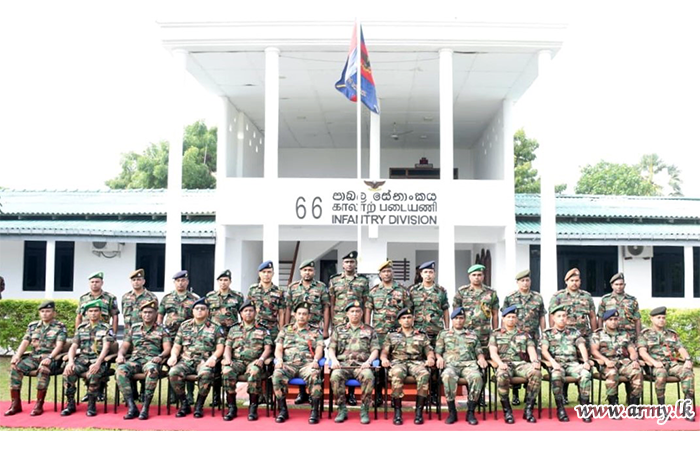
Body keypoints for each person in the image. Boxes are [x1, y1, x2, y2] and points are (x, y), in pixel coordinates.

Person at [5, 300, 67, 417]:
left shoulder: (60, 326)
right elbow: (25, 342)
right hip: (34, 357)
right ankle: (15, 404)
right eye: (42, 311)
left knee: (43, 369)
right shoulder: (33, 326)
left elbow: (59, 346)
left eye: (48, 311)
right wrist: (17, 356)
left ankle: (39, 404)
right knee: (16, 367)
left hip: (52, 359)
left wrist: (49, 357)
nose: (45, 314)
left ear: (54, 313)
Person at [167, 298, 225, 418]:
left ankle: (199, 405)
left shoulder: (215, 327)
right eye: (197, 309)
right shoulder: (184, 326)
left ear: (208, 311)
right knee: (173, 372)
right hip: (186, 360)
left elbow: (220, 347)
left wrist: (213, 358)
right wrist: (173, 356)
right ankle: (184, 404)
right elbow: (177, 346)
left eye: (203, 309)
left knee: (206, 374)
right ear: (192, 311)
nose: (199, 311)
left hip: (204, 361)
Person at [115, 299, 172, 420]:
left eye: (150, 312)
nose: (147, 315)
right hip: (135, 359)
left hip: (152, 360)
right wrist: (120, 355)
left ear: (156, 313)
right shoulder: (134, 328)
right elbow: (124, 346)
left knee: (152, 371)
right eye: (145, 312)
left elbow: (167, 349)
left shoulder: (162, 329)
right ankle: (132, 407)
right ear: (141, 314)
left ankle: (145, 407)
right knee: (120, 370)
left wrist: (160, 357)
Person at [284, 259, 330, 404]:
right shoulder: (292, 287)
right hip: (297, 329)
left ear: (314, 272)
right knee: (297, 357)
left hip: (315, 329)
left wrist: (326, 328)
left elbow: (326, 308)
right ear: (300, 272)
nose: (307, 272)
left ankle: (313, 393)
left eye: (310, 270)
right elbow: (288, 308)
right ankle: (301, 393)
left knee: (314, 361)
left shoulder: (321, 287)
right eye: (305, 270)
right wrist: (286, 326)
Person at [638, 306, 695, 421]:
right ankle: (661, 407)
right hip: (654, 365)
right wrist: (654, 362)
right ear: (652, 319)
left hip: (671, 364)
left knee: (687, 372)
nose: (661, 320)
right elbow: (642, 352)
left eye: (663, 317)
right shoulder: (645, 334)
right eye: (658, 317)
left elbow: (681, 349)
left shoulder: (671, 334)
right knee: (661, 372)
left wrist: (687, 360)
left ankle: (687, 406)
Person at [380, 307, 436, 425]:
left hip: (416, 363)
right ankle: (398, 411)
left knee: (424, 374)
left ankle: (419, 412)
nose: (406, 320)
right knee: (397, 373)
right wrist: (384, 359)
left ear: (413, 319)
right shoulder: (392, 335)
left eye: (409, 318)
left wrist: (430, 358)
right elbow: (384, 352)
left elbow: (429, 350)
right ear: (399, 321)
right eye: (403, 318)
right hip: (398, 362)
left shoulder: (421, 335)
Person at [328, 300, 380, 424]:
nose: (355, 314)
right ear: (347, 314)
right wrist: (334, 360)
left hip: (361, 365)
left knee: (368, 376)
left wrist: (369, 362)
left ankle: (364, 410)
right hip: (343, 365)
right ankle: (341, 409)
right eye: (352, 311)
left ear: (362, 313)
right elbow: (331, 348)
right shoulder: (339, 330)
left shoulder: (370, 330)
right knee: (335, 376)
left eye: (357, 311)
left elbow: (375, 350)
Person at [272, 302, 325, 424]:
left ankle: (314, 411)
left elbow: (319, 349)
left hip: (306, 365)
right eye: (299, 314)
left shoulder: (315, 331)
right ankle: (283, 410)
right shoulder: (285, 330)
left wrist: (316, 361)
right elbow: (278, 348)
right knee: (277, 374)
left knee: (314, 374)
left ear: (309, 316)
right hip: (288, 364)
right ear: (294, 315)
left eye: (304, 314)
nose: (301, 316)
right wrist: (279, 360)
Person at [329, 251, 369, 406]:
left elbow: (365, 303)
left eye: (352, 262)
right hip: (340, 322)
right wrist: (333, 323)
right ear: (343, 264)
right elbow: (332, 303)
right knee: (343, 353)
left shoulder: (363, 281)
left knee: (355, 352)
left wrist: (365, 324)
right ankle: (342, 394)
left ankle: (352, 394)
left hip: (358, 321)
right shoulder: (335, 280)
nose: (349, 264)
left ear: (355, 264)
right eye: (347, 262)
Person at [221, 300, 273, 421]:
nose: (248, 313)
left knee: (254, 372)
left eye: (251, 311)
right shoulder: (234, 329)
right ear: (241, 314)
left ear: (255, 313)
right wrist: (227, 359)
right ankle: (232, 407)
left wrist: (261, 359)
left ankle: (253, 408)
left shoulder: (263, 329)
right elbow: (228, 347)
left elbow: (268, 348)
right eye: (245, 311)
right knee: (227, 371)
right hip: (237, 362)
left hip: (254, 361)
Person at [367, 259, 411, 405]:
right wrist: (368, 329)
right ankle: (378, 395)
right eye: (383, 271)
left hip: (398, 334)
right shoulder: (373, 292)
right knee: (379, 365)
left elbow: (409, 312)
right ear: (379, 274)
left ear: (393, 273)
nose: (386, 274)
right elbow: (368, 311)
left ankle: (395, 396)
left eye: (389, 271)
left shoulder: (402, 291)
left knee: (396, 363)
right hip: (379, 333)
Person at [61, 299, 115, 417]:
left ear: (100, 313)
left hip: (98, 360)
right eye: (90, 311)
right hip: (82, 360)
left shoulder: (106, 328)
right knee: (68, 372)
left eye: (96, 311)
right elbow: (74, 346)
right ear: (86, 313)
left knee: (93, 374)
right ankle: (70, 404)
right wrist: (70, 361)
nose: (93, 313)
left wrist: (98, 363)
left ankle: (91, 405)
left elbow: (106, 347)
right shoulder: (81, 328)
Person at [489, 305, 541, 424]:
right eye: (508, 317)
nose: (511, 319)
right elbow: (493, 353)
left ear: (516, 319)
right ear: (503, 319)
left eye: (513, 317)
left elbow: (531, 349)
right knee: (502, 375)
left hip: (521, 364)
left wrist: (534, 361)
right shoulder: (496, 334)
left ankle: (528, 410)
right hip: (505, 364)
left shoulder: (524, 334)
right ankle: (507, 411)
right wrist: (500, 363)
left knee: (536, 373)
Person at [435, 307, 487, 425]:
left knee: (477, 377)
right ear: (452, 320)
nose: (458, 321)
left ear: (465, 320)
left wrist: (481, 358)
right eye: (456, 318)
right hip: (451, 365)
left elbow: (478, 351)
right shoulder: (444, 334)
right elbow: (438, 351)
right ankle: (452, 411)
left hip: (468, 365)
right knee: (447, 376)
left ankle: (470, 411)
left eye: (461, 318)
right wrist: (439, 358)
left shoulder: (472, 334)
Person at [541, 304, 593, 423]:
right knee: (556, 376)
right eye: (559, 316)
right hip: (557, 364)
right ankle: (560, 408)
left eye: (564, 316)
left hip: (572, 364)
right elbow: (544, 350)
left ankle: (584, 407)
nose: (562, 318)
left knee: (585, 374)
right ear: (553, 318)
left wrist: (585, 361)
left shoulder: (574, 332)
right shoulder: (547, 333)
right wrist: (552, 362)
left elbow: (581, 346)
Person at [502, 269, 545, 405]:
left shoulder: (537, 297)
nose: (525, 283)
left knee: (531, 363)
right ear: (517, 282)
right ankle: (515, 394)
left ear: (530, 281)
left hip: (532, 336)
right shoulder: (510, 297)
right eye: (522, 281)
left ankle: (529, 395)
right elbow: (504, 316)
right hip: (515, 337)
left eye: (527, 280)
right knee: (515, 361)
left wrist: (544, 333)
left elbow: (541, 316)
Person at [409, 260, 449, 406]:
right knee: (421, 363)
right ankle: (422, 394)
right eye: (425, 272)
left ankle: (434, 394)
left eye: (431, 272)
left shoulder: (441, 290)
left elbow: (445, 309)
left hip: (436, 332)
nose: (428, 275)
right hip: (419, 333)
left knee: (436, 364)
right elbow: (409, 311)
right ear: (421, 274)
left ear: (434, 274)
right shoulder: (413, 291)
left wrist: (447, 328)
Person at [158, 269, 200, 404]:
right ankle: (173, 394)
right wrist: (160, 333)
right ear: (174, 283)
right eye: (178, 281)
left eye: (183, 281)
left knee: (189, 362)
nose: (180, 283)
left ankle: (190, 394)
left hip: (189, 337)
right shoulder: (167, 298)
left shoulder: (194, 299)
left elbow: (198, 317)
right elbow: (160, 316)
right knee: (173, 363)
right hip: (170, 337)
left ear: (187, 282)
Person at [590, 309, 642, 415]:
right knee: (612, 373)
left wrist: (634, 360)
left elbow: (631, 349)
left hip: (623, 362)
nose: (613, 322)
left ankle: (634, 404)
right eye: (611, 319)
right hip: (607, 363)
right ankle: (613, 404)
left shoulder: (624, 334)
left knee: (637, 371)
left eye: (615, 319)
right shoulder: (598, 334)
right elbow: (594, 351)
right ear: (605, 321)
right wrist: (605, 361)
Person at [205, 269, 244, 407]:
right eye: (221, 280)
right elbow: (207, 316)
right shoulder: (210, 297)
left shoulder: (238, 296)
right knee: (215, 366)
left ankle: (229, 397)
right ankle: (216, 397)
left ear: (230, 281)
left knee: (229, 365)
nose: (223, 283)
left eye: (226, 280)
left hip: (232, 335)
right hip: (215, 336)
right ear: (217, 282)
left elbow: (243, 314)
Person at [120, 268, 159, 401]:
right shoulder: (126, 297)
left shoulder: (151, 297)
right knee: (131, 361)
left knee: (146, 361)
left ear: (144, 281)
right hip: (131, 335)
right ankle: (132, 392)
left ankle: (144, 391)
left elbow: (156, 315)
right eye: (134, 280)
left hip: (148, 334)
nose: (136, 282)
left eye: (139, 279)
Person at [247, 260, 287, 341]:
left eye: (269, 272)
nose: (266, 274)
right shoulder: (253, 289)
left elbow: (281, 312)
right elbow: (248, 308)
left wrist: (281, 330)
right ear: (259, 273)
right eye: (264, 272)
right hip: (256, 326)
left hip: (272, 328)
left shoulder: (279, 291)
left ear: (273, 274)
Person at [597, 273, 641, 342]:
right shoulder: (605, 299)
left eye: (621, 284)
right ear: (612, 286)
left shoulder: (632, 300)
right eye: (616, 284)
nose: (619, 287)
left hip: (629, 334)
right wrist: (600, 333)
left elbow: (637, 319)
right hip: (611, 335)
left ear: (624, 285)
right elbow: (600, 318)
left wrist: (639, 336)